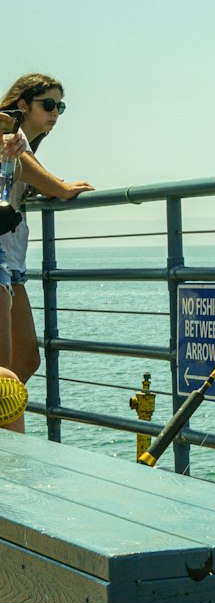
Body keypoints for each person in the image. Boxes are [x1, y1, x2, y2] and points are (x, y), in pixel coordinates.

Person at [0, 74, 94, 429]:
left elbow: (17, 173)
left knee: (25, 359)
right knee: (8, 367)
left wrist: (36, 189)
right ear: (23, 104)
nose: (56, 113)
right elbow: (19, 162)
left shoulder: (21, 140)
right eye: (48, 105)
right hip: (3, 254)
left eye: (61, 106)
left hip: (12, 257)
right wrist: (60, 187)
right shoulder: (12, 134)